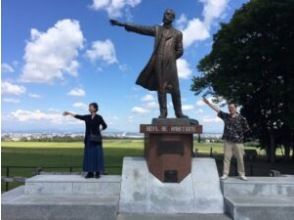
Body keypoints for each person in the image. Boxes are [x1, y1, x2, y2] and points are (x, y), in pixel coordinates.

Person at [110, 9, 188, 119]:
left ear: (172, 18)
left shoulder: (178, 34)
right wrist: (123, 24)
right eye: (165, 14)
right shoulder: (157, 29)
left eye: (168, 14)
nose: (165, 16)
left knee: (175, 89)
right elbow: (141, 29)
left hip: (170, 65)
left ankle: (178, 112)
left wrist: (171, 57)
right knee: (161, 88)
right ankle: (163, 113)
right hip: (158, 63)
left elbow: (180, 50)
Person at [203, 97, 250, 181]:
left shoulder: (242, 118)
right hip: (228, 141)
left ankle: (242, 174)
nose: (230, 109)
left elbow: (246, 129)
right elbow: (217, 110)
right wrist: (208, 103)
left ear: (236, 108)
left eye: (232, 107)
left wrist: (239, 136)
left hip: (238, 142)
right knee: (226, 158)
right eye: (229, 108)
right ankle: (225, 174)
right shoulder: (226, 116)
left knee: (240, 158)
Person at [63, 102, 107, 178]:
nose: (89, 108)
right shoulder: (87, 117)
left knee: (97, 156)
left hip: (96, 140)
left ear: (95, 108)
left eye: (91, 107)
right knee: (89, 156)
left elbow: (105, 126)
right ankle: (90, 172)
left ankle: (97, 172)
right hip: (88, 139)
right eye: (89, 107)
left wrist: (100, 130)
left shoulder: (99, 117)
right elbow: (78, 116)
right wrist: (69, 113)